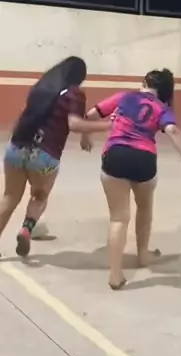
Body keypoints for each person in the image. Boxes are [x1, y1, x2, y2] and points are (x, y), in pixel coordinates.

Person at [85, 69, 181, 291]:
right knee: (144, 209)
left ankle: (115, 275)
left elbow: (90, 115)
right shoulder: (162, 107)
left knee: (118, 218)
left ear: (145, 82)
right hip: (144, 159)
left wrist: (85, 136)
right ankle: (143, 255)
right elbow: (172, 130)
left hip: (115, 154)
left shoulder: (124, 97)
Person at [1, 56, 110, 257]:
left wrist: (12, 140)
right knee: (39, 196)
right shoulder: (74, 94)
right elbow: (75, 124)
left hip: (17, 148)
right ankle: (26, 229)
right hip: (45, 155)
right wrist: (109, 125)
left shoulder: (41, 88)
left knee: (9, 197)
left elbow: (22, 114)